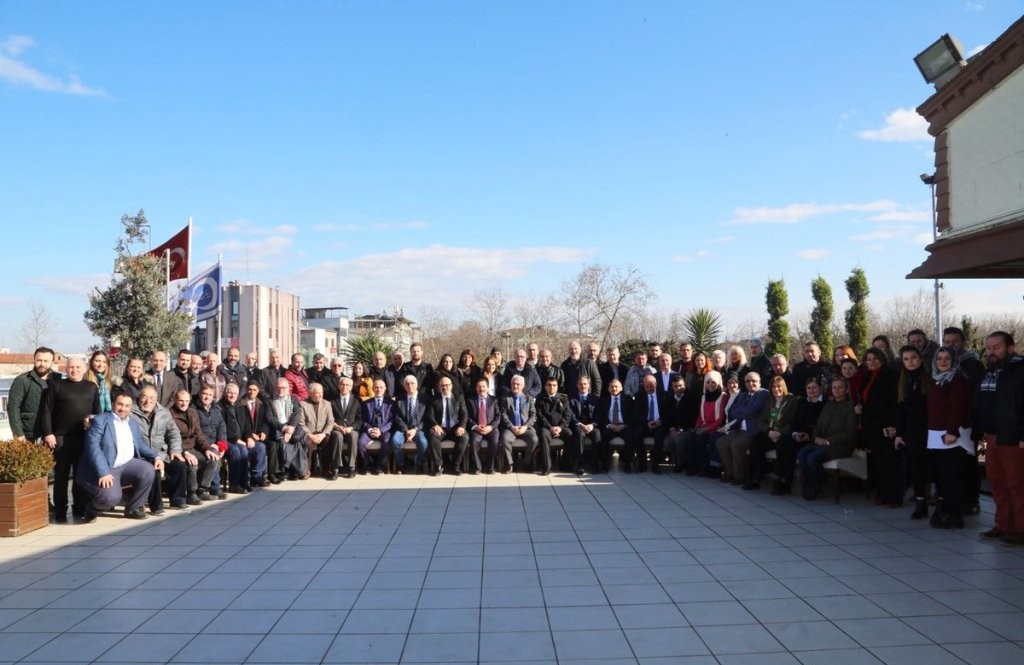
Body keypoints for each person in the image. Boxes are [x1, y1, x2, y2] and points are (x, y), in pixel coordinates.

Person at [76, 392, 163, 522]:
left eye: (127, 406)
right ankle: (91, 510)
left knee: (148, 470)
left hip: (126, 464)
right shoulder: (101, 420)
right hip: (106, 467)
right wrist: (104, 472)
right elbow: (92, 447)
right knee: (111, 498)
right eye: (120, 404)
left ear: (131, 407)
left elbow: (139, 444)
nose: (123, 408)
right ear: (113, 404)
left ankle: (133, 509)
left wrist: (156, 456)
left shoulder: (132, 423)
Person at [974, 331, 1024, 546]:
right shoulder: (989, 371)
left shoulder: (1020, 371)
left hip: (1012, 438)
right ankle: (1003, 524)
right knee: (996, 483)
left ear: (1011, 348)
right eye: (988, 347)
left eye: (996, 347)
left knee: (1017, 485)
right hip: (989, 437)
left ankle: (1020, 529)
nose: (991, 351)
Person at [39, 356, 99, 522]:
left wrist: (92, 422)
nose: (74, 370)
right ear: (66, 369)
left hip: (84, 438)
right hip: (60, 438)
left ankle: (79, 507)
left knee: (81, 475)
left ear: (85, 369)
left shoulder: (91, 387)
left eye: (78, 367)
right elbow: (46, 411)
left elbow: (97, 412)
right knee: (61, 476)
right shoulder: (56, 386)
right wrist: (48, 433)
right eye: (71, 367)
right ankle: (60, 510)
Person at [927, 346, 973, 529]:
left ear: (954, 360)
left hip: (952, 436)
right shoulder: (936, 379)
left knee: (952, 478)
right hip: (936, 435)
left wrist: (952, 431)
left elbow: (958, 407)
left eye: (947, 358)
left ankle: (954, 515)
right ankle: (945, 511)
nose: (943, 362)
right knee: (942, 478)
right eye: (939, 358)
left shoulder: (958, 379)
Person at [798, 377, 857, 501]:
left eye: (840, 387)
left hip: (840, 445)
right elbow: (818, 425)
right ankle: (810, 483)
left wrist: (829, 440)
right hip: (822, 442)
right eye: (834, 387)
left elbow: (850, 432)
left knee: (813, 458)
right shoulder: (828, 405)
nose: (836, 390)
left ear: (846, 390)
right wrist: (816, 437)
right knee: (802, 454)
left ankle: (816, 485)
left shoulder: (850, 406)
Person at [132, 384, 187, 512]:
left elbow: (173, 433)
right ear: (139, 397)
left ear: (156, 399)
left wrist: (175, 450)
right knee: (153, 470)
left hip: (161, 453)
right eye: (144, 397)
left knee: (179, 465)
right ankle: (156, 506)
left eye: (152, 398)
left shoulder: (164, 412)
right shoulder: (131, 412)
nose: (148, 401)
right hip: (141, 455)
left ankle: (178, 500)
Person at [893, 345, 933, 519]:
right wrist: (899, 434)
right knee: (915, 468)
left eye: (914, 357)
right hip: (912, 432)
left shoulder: (930, 380)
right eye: (906, 359)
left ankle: (940, 500)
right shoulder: (903, 382)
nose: (910, 361)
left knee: (932, 467)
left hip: (931, 430)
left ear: (921, 359)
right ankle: (920, 502)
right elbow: (900, 411)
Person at [858, 347, 900, 507]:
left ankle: (894, 496)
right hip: (872, 425)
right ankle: (882, 494)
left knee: (890, 462)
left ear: (882, 358)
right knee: (878, 462)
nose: (872, 362)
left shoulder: (891, 375)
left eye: (875, 358)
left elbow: (895, 402)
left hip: (886, 424)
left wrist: (893, 425)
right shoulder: (867, 376)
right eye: (869, 359)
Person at [772, 377, 826, 495]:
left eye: (814, 388)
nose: (811, 390)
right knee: (783, 442)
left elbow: (824, 426)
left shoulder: (825, 404)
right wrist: (795, 434)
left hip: (814, 438)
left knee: (795, 449)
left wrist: (809, 435)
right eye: (809, 388)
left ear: (820, 388)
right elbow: (794, 422)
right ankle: (783, 480)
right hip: (799, 435)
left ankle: (807, 484)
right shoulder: (802, 402)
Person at [745, 375, 798, 490]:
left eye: (778, 386)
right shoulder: (769, 401)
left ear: (783, 387)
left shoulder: (792, 401)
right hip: (770, 434)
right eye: (773, 387)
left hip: (784, 435)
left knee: (784, 446)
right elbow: (760, 421)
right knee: (756, 442)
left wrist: (780, 432)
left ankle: (781, 481)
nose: (776, 389)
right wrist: (768, 431)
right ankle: (756, 477)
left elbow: (794, 422)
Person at [716, 372, 769, 484]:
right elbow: (732, 411)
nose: (750, 383)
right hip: (738, 428)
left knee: (736, 444)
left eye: (754, 381)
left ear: (760, 382)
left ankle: (739, 476)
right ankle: (730, 472)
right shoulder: (743, 395)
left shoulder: (763, 393)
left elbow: (753, 411)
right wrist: (745, 411)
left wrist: (743, 411)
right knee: (721, 442)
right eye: (747, 381)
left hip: (752, 430)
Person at [170, 389, 218, 503]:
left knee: (212, 459)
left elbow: (198, 434)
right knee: (192, 463)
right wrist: (185, 452)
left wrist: (207, 448)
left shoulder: (192, 412)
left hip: (192, 448)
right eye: (181, 401)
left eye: (187, 401)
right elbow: (171, 437)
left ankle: (202, 490)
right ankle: (191, 493)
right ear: (175, 400)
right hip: (177, 449)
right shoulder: (170, 414)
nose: (184, 404)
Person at [219, 381, 265, 493]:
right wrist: (236, 439)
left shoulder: (240, 406)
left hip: (241, 440)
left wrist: (249, 437)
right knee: (239, 451)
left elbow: (247, 425)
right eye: (230, 393)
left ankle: (249, 480)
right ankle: (234, 484)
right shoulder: (220, 407)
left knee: (260, 447)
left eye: (235, 393)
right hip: (227, 441)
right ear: (225, 393)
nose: (232, 395)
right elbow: (222, 428)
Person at [680, 371, 728, 477]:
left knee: (702, 439)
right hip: (704, 426)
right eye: (708, 382)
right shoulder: (704, 396)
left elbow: (720, 418)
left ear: (718, 383)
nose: (710, 385)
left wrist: (706, 429)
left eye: (713, 382)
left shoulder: (723, 396)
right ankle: (694, 467)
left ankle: (707, 468)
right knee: (690, 438)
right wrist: (697, 427)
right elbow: (700, 416)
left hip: (716, 427)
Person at [8, 346, 57, 441]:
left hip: (52, 434)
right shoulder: (23, 380)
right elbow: (13, 407)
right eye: (39, 360)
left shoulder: (58, 379)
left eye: (46, 361)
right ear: (34, 360)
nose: (42, 364)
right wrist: (18, 433)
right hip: (28, 433)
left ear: (52, 362)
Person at [267, 377, 308, 481]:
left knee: (296, 441)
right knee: (278, 442)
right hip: (278, 428)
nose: (281, 390)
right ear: (275, 388)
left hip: (291, 427)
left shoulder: (293, 399)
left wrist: (291, 428)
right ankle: (283, 471)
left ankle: (295, 471)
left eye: (284, 388)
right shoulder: (270, 400)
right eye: (279, 387)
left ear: (288, 388)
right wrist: (284, 428)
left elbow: (297, 414)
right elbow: (270, 418)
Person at [427, 375, 469, 475]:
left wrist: (462, 426)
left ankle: (455, 465)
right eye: (442, 385)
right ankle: (438, 466)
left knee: (464, 437)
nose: (445, 387)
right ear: (439, 387)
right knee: (432, 434)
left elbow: (464, 413)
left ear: (451, 386)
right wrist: (435, 425)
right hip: (441, 428)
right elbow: (429, 414)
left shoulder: (459, 397)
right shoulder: (434, 399)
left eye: (447, 385)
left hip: (455, 427)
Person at [627, 374, 668, 473]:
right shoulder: (639, 395)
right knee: (637, 433)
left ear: (656, 384)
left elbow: (668, 412)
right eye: (647, 386)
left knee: (659, 436)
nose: (649, 388)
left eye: (651, 386)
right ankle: (642, 463)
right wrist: (646, 423)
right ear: (643, 386)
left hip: (659, 424)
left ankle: (655, 465)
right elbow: (636, 414)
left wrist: (660, 421)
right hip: (645, 423)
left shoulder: (664, 395)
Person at [193, 384, 228, 499]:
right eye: (204, 394)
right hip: (200, 445)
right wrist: (210, 445)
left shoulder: (216, 410)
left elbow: (222, 428)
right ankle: (207, 488)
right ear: (200, 394)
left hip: (214, 445)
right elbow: (197, 432)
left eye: (210, 395)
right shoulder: (194, 410)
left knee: (216, 452)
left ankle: (213, 487)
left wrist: (221, 445)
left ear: (213, 397)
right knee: (214, 455)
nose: (207, 397)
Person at [500, 375, 537, 473]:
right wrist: (511, 427)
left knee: (534, 439)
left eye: (518, 384)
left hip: (525, 428)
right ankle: (510, 464)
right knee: (505, 439)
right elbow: (503, 415)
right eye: (513, 384)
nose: (515, 386)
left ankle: (526, 463)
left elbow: (533, 415)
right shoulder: (505, 398)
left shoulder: (529, 398)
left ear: (523, 386)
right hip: (511, 428)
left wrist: (525, 426)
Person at [300, 382, 338, 479]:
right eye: (317, 393)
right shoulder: (303, 404)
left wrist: (323, 434)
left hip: (322, 433)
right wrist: (311, 435)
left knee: (328, 441)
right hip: (309, 434)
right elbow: (301, 423)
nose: (320, 395)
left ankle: (326, 469)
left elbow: (330, 422)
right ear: (310, 393)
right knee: (308, 443)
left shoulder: (327, 404)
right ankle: (307, 470)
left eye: (321, 392)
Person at [534, 376, 570, 475]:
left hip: (560, 427)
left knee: (570, 434)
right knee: (543, 434)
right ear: (545, 387)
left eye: (554, 385)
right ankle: (547, 467)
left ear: (557, 387)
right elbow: (540, 416)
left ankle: (566, 465)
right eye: (549, 385)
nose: (551, 387)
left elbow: (567, 416)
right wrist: (550, 428)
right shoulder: (540, 399)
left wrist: (560, 427)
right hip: (546, 427)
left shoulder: (564, 399)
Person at [239, 381, 271, 486]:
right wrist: (250, 435)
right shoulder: (240, 404)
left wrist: (264, 431)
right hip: (244, 437)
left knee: (264, 446)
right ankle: (255, 476)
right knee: (260, 447)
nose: (251, 392)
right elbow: (242, 423)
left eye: (254, 390)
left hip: (258, 436)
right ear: (246, 390)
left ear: (258, 391)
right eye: (249, 389)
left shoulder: (262, 404)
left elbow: (265, 421)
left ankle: (257, 477)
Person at [663, 375, 697, 473]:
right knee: (667, 443)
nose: (678, 388)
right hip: (674, 429)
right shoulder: (670, 399)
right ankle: (680, 460)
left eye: (680, 386)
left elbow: (693, 416)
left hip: (687, 428)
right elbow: (666, 416)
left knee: (679, 440)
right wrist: (672, 428)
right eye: (675, 386)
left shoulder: (691, 398)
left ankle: (681, 464)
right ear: (672, 387)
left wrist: (682, 429)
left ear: (684, 385)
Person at [358, 379, 393, 475]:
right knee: (361, 443)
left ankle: (380, 466)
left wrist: (381, 430)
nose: (379, 389)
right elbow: (362, 419)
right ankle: (367, 465)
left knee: (386, 441)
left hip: (384, 430)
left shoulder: (391, 403)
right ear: (373, 388)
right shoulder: (366, 403)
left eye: (381, 387)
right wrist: (369, 429)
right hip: (369, 430)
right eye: (376, 387)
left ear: (385, 389)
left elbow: (392, 421)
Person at [330, 376, 362, 478]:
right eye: (342, 384)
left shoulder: (357, 400)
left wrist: (351, 428)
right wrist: (336, 426)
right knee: (337, 436)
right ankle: (336, 467)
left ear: (351, 387)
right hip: (337, 428)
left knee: (353, 436)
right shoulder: (332, 400)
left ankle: (351, 467)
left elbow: (360, 419)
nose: (344, 387)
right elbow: (329, 418)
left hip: (351, 429)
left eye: (347, 385)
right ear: (338, 386)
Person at [569, 376, 601, 475]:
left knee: (597, 434)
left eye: (585, 384)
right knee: (580, 435)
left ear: (589, 385)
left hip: (592, 426)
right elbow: (571, 415)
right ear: (577, 385)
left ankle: (595, 464)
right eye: (580, 384)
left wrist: (593, 425)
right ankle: (580, 465)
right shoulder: (571, 399)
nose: (583, 386)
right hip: (578, 425)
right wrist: (580, 424)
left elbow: (599, 415)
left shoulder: (595, 399)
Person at [468, 378, 501, 474]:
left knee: (495, 441)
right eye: (479, 387)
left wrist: (490, 427)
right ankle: (478, 467)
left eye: (483, 386)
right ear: (476, 388)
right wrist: (475, 426)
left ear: (488, 388)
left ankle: (490, 467)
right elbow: (467, 416)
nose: (481, 389)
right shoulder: (470, 400)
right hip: (476, 428)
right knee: (473, 441)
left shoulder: (494, 400)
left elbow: (498, 416)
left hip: (491, 428)